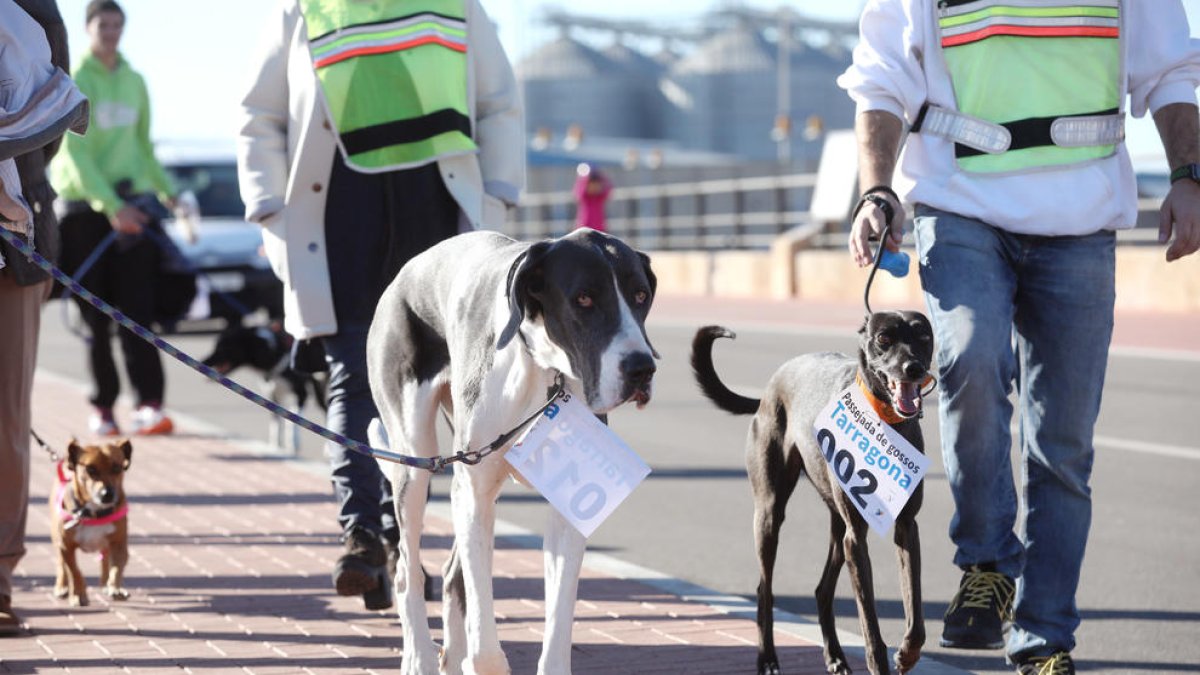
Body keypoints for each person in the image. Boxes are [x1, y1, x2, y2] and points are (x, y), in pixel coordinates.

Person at [839, 2, 1200, 672]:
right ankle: (987, 561)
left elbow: (1172, 70)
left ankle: (1043, 637)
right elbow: (882, 77)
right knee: (971, 355)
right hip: (960, 206)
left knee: (1064, 445)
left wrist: (1188, 176)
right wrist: (876, 190)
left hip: (1082, 220)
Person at [238, 0, 523, 610]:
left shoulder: (456, 5)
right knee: (354, 378)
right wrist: (268, 210)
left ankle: (409, 538)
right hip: (339, 210)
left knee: (444, 391)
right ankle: (364, 533)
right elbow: (260, 116)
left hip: (437, 207)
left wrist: (498, 195)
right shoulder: (303, 8)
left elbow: (499, 103)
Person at [50, 0, 180, 437]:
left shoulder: (135, 80)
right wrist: (111, 207)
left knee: (139, 313)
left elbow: (144, 147)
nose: (110, 31)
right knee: (95, 318)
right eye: (102, 24)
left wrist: (170, 192)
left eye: (116, 24)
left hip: (133, 211)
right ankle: (103, 407)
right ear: (87, 28)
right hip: (87, 215)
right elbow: (75, 154)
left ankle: (150, 403)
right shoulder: (73, 80)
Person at [0, 0, 87, 637]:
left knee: (7, 420)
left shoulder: (31, 12)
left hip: (16, 242)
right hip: (18, 220)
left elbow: (48, 125)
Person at [573, 162, 612, 231]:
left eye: (596, 184)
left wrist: (601, 176)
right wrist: (585, 177)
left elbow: (609, 188)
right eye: (591, 184)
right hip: (584, 227)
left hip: (600, 228)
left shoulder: (600, 197)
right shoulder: (585, 197)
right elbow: (579, 191)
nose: (594, 187)